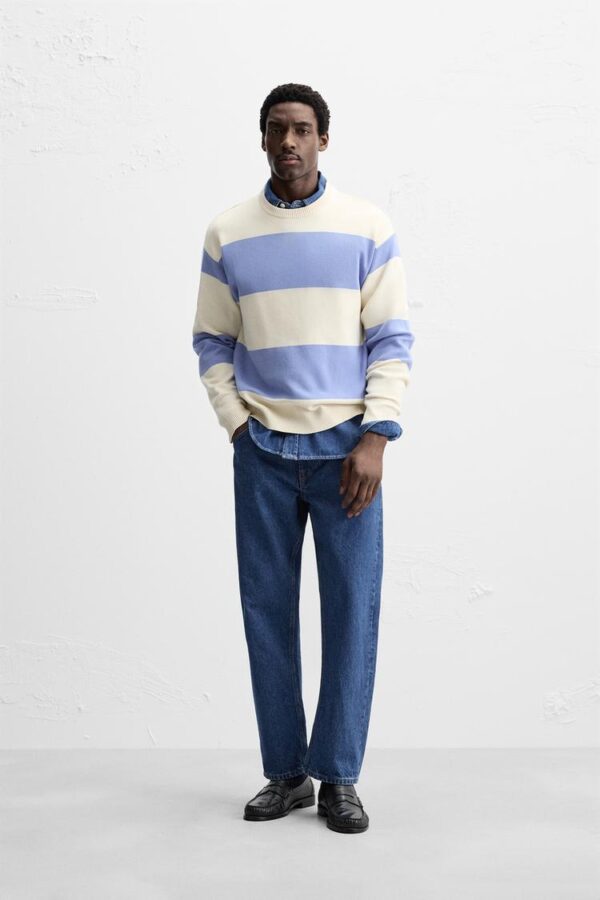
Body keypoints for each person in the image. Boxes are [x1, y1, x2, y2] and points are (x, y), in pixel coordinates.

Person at [192, 83, 415, 834]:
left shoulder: (366, 226)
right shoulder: (228, 232)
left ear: (323, 139)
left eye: (303, 129)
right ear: (262, 139)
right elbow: (212, 338)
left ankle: (340, 777)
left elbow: (391, 338)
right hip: (261, 450)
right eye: (277, 129)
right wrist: (236, 424)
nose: (289, 141)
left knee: (352, 610)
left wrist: (376, 437)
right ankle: (286, 773)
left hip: (346, 451)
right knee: (266, 611)